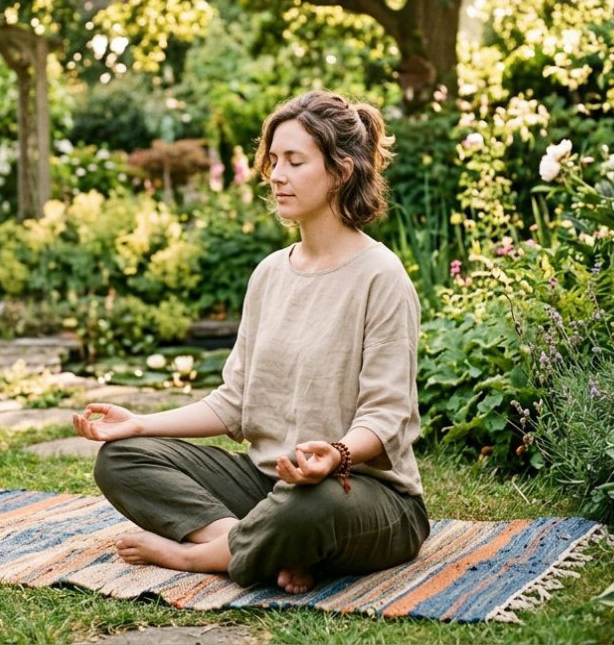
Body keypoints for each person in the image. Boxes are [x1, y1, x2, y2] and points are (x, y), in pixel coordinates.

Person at [72, 89, 428, 594]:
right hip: (268, 485)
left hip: (361, 492)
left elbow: (386, 416)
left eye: (295, 162)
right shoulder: (269, 274)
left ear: (341, 171)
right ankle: (259, 545)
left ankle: (198, 556)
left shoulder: (381, 277)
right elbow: (235, 403)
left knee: (310, 506)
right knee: (122, 458)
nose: (276, 175)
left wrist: (335, 455)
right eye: (273, 160)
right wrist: (140, 423)